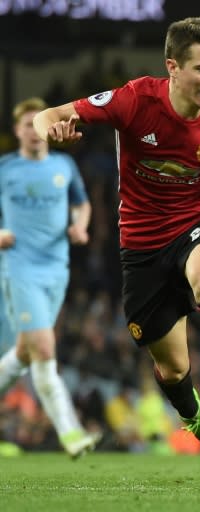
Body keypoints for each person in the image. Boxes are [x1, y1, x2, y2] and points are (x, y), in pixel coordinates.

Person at [33, 17, 200, 454]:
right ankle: (194, 418)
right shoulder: (134, 100)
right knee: (172, 367)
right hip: (141, 241)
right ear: (173, 67)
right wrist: (51, 131)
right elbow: (46, 115)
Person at [0, 97, 100, 458]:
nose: (32, 130)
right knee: (44, 347)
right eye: (26, 124)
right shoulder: (5, 168)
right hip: (19, 266)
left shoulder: (64, 165)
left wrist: (80, 225)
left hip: (56, 267)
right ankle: (71, 434)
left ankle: (71, 434)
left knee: (26, 353)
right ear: (17, 131)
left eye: (36, 123)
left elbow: (82, 203)